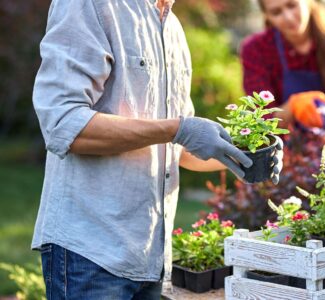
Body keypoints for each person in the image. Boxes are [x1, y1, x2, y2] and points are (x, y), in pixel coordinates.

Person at [31, 0, 282, 298]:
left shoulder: (171, 28)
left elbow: (177, 150)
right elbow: (64, 124)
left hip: (150, 259)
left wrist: (242, 157)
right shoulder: (91, 5)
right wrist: (178, 129)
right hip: (91, 255)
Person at [240, 0, 325, 129]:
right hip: (287, 142)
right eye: (276, 12)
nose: (288, 17)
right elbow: (262, 120)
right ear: (267, 16)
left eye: (292, 5)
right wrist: (292, 107)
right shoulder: (256, 49)